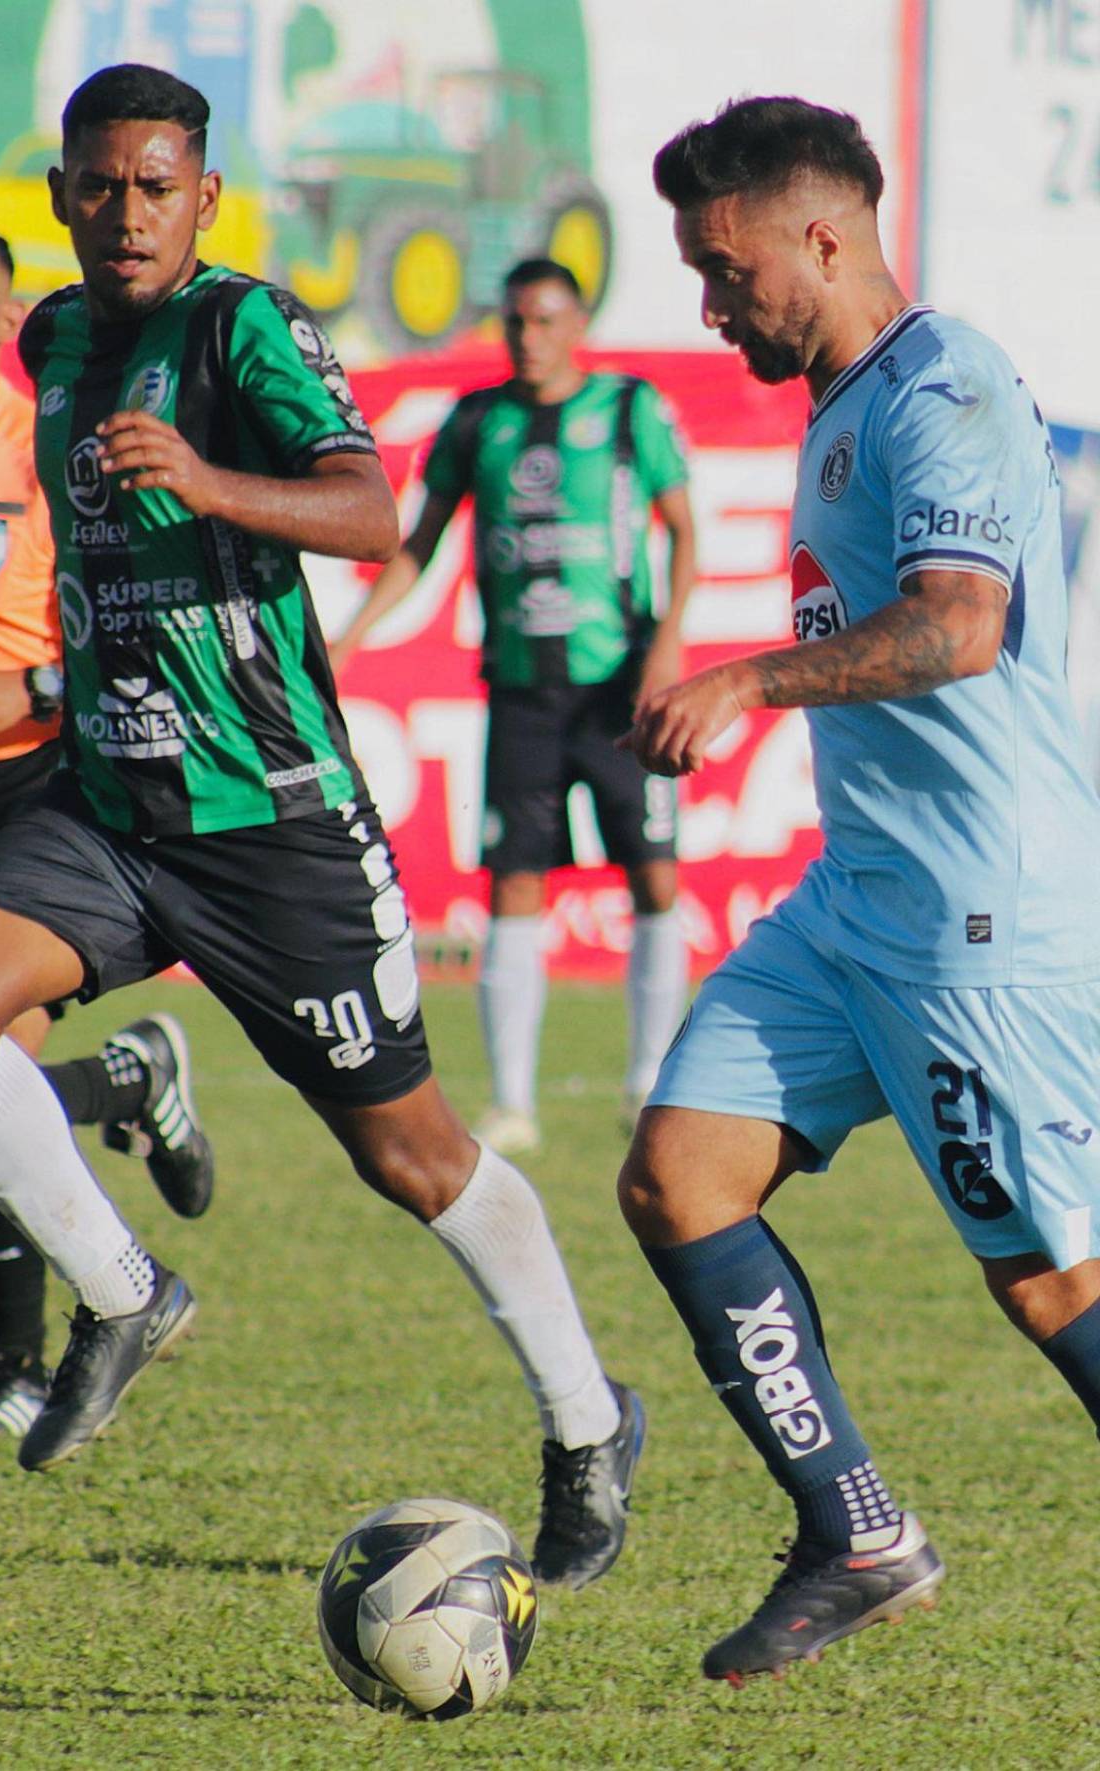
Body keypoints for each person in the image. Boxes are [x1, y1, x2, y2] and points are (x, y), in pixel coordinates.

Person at [0, 65, 643, 1591]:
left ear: (204, 197)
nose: (125, 211)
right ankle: (122, 1294)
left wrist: (208, 479)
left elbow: (371, 514)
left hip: (273, 822)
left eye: (155, 184)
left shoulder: (245, 328)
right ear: (59, 194)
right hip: (111, 804)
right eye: (99, 184)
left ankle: (586, 1419)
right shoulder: (51, 338)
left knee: (416, 1158)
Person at [616, 95, 1100, 1684]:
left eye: (722, 265)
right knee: (679, 1174)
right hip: (858, 905)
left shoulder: (941, 388)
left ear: (819, 234)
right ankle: (859, 1528)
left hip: (980, 917)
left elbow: (962, 625)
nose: (709, 301)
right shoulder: (843, 400)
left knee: (1050, 1280)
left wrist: (751, 677)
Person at [0, 209, 214, 1437]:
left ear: (5, 308)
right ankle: (127, 1078)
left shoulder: (44, 445)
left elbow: (135, 622)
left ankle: (14, 1364)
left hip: (24, 786)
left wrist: (28, 688)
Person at [330, 258, 696, 1153]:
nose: (530, 338)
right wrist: (349, 637)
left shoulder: (627, 411)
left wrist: (669, 642)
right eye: (517, 322)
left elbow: (685, 528)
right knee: (515, 885)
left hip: (618, 688)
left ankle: (650, 1080)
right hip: (522, 693)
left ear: (577, 326)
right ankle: (513, 1101)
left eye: (546, 321)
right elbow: (418, 544)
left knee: (654, 873)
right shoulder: (477, 421)